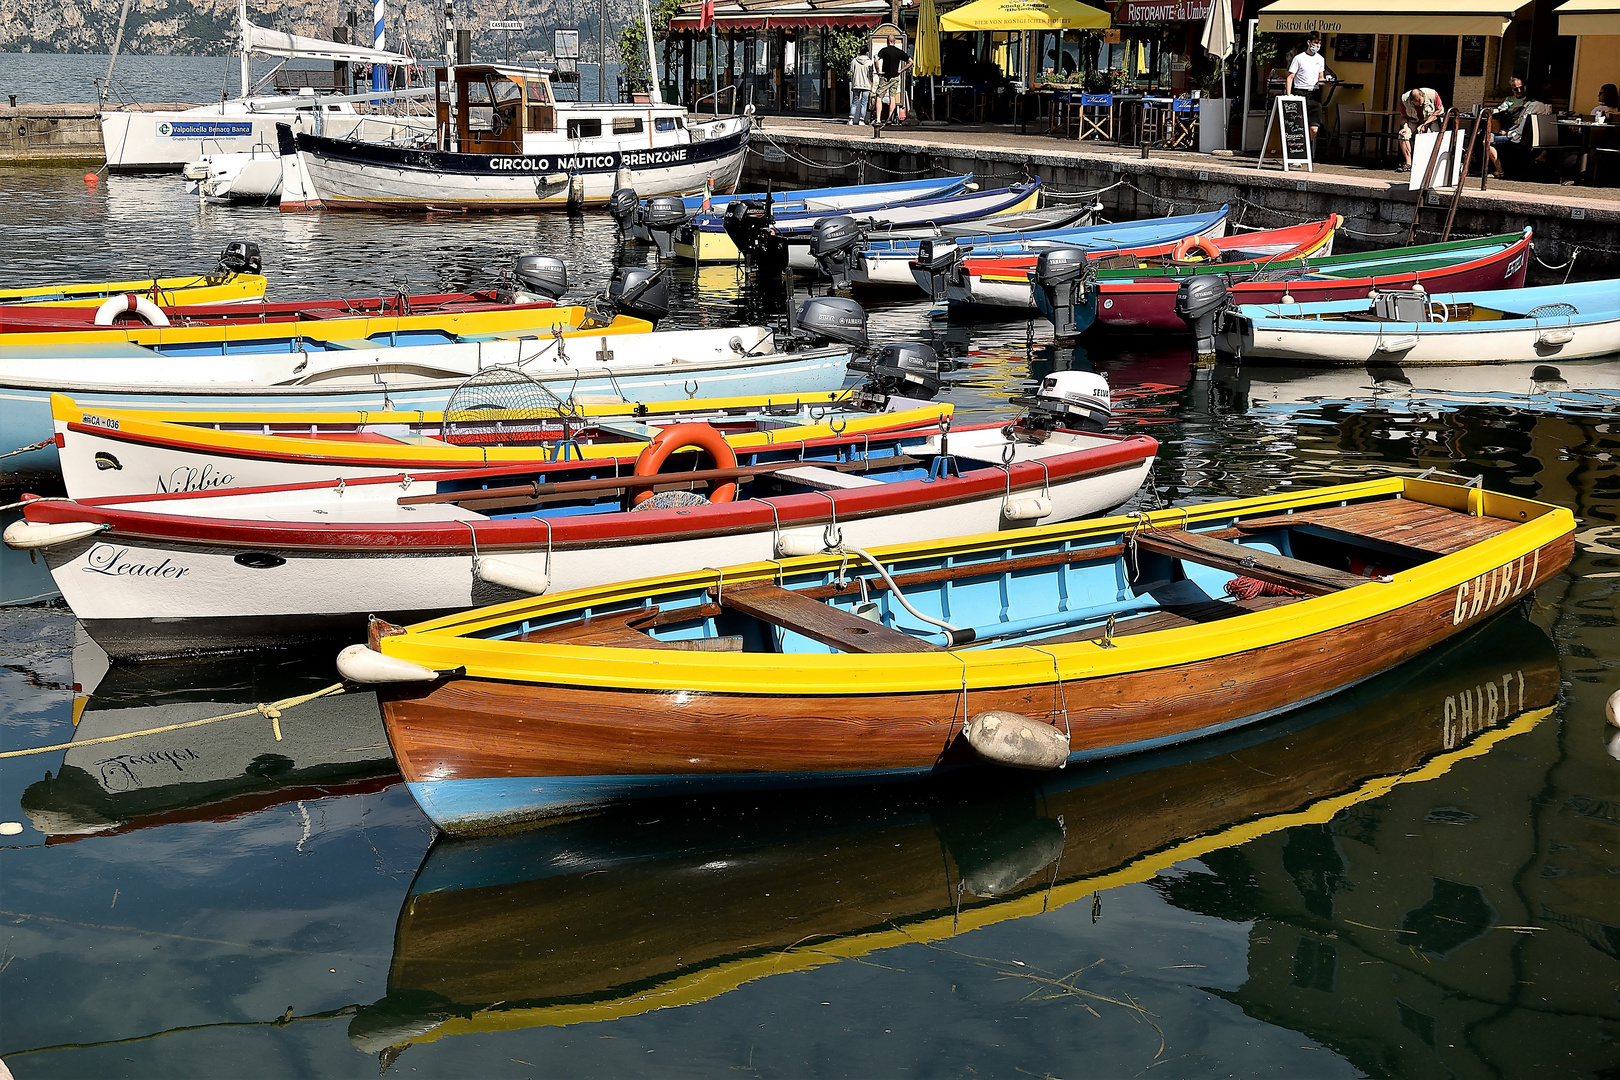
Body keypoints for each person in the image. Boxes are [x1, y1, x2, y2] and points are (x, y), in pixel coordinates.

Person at [1284, 31, 1333, 147]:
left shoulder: (1320, 59)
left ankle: (1304, 146)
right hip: (1300, 92)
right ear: (1309, 42)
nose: (1317, 45)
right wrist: (1288, 95)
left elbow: (1320, 79)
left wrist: (1328, 83)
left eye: (1319, 43)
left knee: (1314, 129)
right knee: (1297, 126)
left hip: (1314, 94)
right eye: (1315, 43)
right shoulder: (1299, 58)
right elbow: (1290, 77)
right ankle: (1297, 151)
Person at [1398, 86, 1445, 170]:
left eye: (1420, 101)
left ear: (1422, 96)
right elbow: (1403, 116)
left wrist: (1426, 125)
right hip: (1413, 120)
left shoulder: (1432, 94)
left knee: (1431, 135)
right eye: (1416, 102)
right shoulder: (1404, 99)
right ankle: (1408, 163)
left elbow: (1439, 109)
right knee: (1403, 135)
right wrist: (1405, 127)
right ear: (1411, 101)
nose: (1419, 104)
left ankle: (1428, 162)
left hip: (1431, 118)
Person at [874, 35, 912, 126]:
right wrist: (901, 70)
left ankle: (878, 119)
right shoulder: (899, 52)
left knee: (879, 96)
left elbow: (876, 60)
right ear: (894, 41)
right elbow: (911, 61)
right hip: (895, 77)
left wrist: (878, 71)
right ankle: (889, 119)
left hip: (885, 77)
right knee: (892, 97)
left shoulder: (884, 51)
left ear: (888, 41)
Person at [849, 49, 875, 126]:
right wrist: (871, 83)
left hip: (856, 84)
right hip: (866, 85)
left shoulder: (854, 61)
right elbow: (871, 74)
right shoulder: (870, 62)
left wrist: (853, 82)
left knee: (854, 102)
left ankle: (851, 119)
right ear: (867, 52)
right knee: (864, 103)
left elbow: (851, 73)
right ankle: (861, 120)